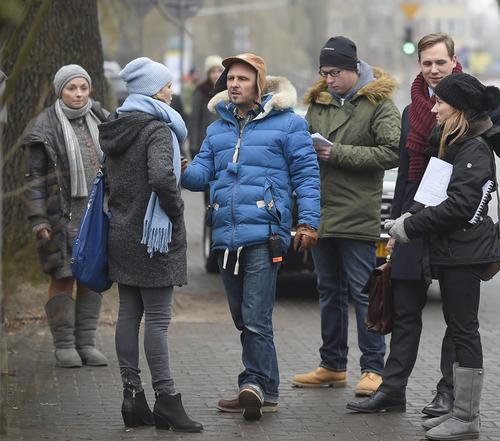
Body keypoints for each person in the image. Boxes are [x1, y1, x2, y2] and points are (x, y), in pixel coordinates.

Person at [347, 33, 500, 416]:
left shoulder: (474, 104)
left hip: (455, 226)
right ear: (419, 66)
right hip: (416, 222)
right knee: (403, 307)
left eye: (440, 62)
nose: (433, 70)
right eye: (426, 63)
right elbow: (406, 173)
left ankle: (447, 393)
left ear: (454, 61)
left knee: (457, 317)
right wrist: (399, 227)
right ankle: (393, 389)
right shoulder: (412, 112)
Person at [181, 53, 320, 421]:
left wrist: (307, 223)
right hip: (227, 237)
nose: (234, 84)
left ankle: (253, 385)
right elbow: (198, 177)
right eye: (230, 78)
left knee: (256, 317)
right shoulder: (217, 129)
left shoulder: (289, 125)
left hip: (266, 235)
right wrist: (178, 164)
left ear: (259, 83)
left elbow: (307, 176)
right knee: (243, 318)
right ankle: (267, 390)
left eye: (242, 78)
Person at [387, 71, 500, 440]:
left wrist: (411, 227)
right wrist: (411, 215)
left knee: (464, 331)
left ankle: (467, 418)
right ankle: (458, 411)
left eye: (440, 102)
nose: (434, 108)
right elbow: (436, 193)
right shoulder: (453, 143)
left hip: (465, 254)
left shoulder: (473, 148)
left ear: (458, 109)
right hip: (454, 251)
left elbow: (458, 206)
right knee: (459, 329)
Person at [291, 36, 400, 397]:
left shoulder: (379, 103)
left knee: (363, 293)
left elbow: (391, 152)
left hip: (356, 212)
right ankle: (332, 365)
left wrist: (337, 153)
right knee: (328, 292)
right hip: (321, 211)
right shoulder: (319, 103)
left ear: (354, 69)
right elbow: (303, 144)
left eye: (335, 72)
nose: (329, 80)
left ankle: (373, 368)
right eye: (324, 73)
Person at [98, 57, 202, 432]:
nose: (171, 91)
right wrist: (174, 210)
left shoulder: (115, 125)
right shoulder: (158, 129)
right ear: (153, 89)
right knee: (157, 320)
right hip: (153, 237)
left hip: (123, 232)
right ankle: (167, 401)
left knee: (128, 314)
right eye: (167, 85)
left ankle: (132, 398)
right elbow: (161, 176)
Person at [24, 64, 109, 369]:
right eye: (72, 88)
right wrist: (39, 220)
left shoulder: (101, 117)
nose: (78, 94)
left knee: (90, 277)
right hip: (61, 215)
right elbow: (33, 179)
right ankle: (63, 345)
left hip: (96, 213)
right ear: (60, 90)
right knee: (63, 276)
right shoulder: (44, 126)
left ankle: (86, 342)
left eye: (83, 88)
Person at [189, 55, 223, 157]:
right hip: (204, 141)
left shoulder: (228, 91)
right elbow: (194, 119)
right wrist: (193, 144)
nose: (216, 75)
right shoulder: (201, 90)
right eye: (213, 72)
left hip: (223, 141)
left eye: (219, 71)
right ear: (208, 74)